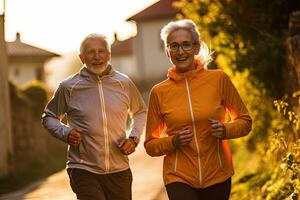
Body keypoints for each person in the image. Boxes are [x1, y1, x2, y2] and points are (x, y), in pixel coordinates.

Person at [144, 19, 252, 200]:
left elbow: (245, 121)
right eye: (174, 46)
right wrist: (173, 142)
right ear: (167, 52)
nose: (180, 51)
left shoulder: (219, 79)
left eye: (186, 45)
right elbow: (150, 145)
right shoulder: (158, 92)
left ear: (196, 47)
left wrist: (225, 129)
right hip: (178, 176)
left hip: (218, 173)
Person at [42, 33, 146, 200]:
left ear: (109, 55)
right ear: (82, 58)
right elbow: (49, 116)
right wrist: (66, 132)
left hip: (119, 169)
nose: (97, 57)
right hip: (83, 169)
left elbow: (140, 111)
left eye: (101, 51)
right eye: (91, 52)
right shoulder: (69, 86)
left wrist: (133, 138)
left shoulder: (124, 83)